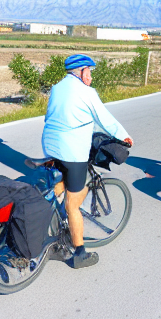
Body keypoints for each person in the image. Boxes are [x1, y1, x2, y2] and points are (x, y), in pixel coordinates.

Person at [42, 53, 132, 269]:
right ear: (81, 72)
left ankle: (45, 208)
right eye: (89, 71)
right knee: (73, 205)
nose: (90, 75)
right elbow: (104, 118)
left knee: (62, 183)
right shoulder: (86, 92)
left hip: (50, 146)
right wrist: (125, 136)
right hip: (72, 151)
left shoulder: (57, 88)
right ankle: (80, 254)